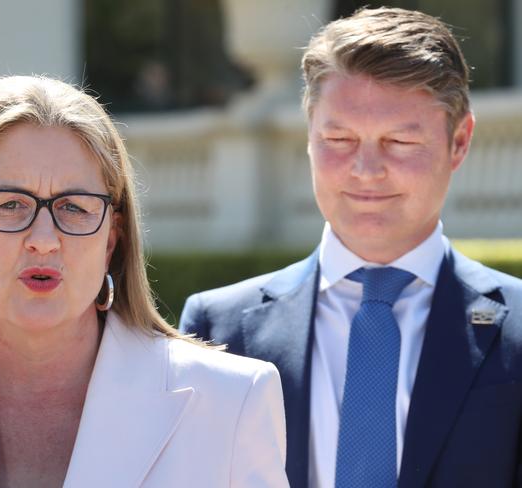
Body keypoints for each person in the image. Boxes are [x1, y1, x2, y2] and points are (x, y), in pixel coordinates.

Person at [0, 75, 289, 487]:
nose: (44, 241)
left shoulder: (231, 403)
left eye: (74, 207)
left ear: (110, 241)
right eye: (11, 204)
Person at [180, 7, 522, 488]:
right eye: (338, 138)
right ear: (309, 137)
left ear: (459, 142)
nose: (365, 168)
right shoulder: (217, 331)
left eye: (399, 141)